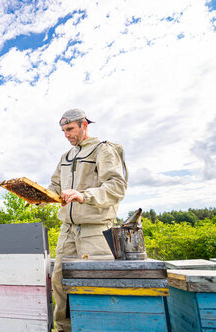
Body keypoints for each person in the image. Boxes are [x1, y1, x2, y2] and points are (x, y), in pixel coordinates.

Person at [48, 108, 128, 332]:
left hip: (95, 229)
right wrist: (40, 196)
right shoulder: (66, 157)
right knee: (60, 282)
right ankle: (66, 329)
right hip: (67, 230)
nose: (66, 135)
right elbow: (55, 186)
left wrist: (86, 195)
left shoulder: (103, 150)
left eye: (70, 129)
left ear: (84, 125)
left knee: (94, 284)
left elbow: (116, 187)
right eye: (63, 131)